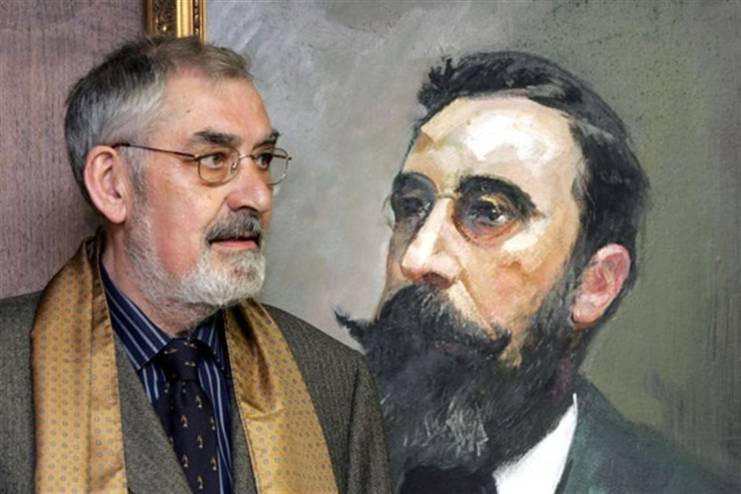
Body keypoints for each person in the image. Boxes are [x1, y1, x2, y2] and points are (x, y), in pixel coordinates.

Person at [0, 36, 390, 494]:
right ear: (112, 184)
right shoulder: (10, 370)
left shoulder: (334, 382)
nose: (259, 196)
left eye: (263, 159)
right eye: (214, 159)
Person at [339, 51, 735, 493]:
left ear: (594, 284)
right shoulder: (306, 457)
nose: (417, 259)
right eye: (412, 207)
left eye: (489, 212)